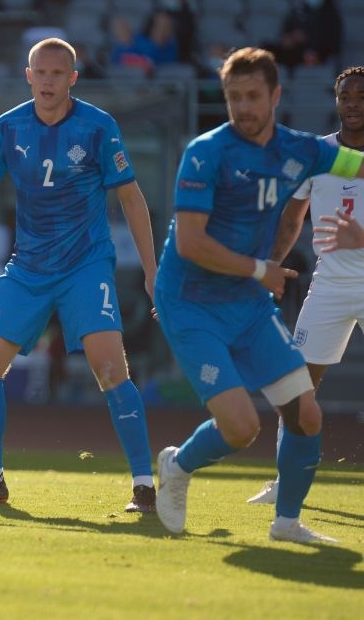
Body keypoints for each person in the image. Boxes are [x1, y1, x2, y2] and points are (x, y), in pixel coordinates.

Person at [0, 37, 159, 512]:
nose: (49, 80)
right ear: (27, 75)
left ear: (73, 78)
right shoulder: (8, 126)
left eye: (59, 73)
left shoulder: (99, 126)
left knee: (110, 367)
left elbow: (131, 198)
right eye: (41, 72)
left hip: (84, 265)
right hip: (29, 266)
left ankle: (145, 486)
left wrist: (154, 272)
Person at [153, 48, 364, 543]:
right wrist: (258, 268)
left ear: (275, 96)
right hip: (192, 301)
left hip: (248, 301)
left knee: (305, 412)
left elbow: (358, 166)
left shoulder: (302, 150)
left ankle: (286, 523)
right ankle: (178, 466)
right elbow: (190, 242)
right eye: (233, 97)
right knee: (242, 427)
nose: (243, 107)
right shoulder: (206, 151)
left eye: (252, 96)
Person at [246, 66, 364, 504]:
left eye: (361, 96)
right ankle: (286, 482)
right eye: (345, 96)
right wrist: (269, 267)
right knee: (297, 386)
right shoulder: (319, 155)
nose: (353, 103)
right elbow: (293, 217)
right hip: (329, 287)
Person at [267, 0, 342, 69]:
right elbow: (287, 28)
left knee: (308, 57)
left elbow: (333, 40)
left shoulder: (330, 12)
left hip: (319, 52)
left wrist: (307, 38)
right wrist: (289, 38)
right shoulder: (298, 9)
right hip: (296, 50)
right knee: (267, 50)